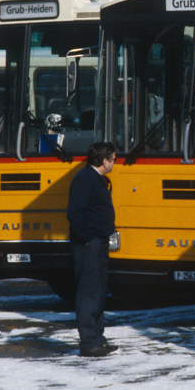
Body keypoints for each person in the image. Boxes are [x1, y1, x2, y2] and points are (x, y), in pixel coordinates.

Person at [67, 142, 117, 357]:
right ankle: (89, 342)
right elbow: (75, 212)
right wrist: (87, 238)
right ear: (104, 161)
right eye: (113, 159)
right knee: (88, 293)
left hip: (99, 241)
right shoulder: (85, 178)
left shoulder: (96, 178)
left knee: (99, 291)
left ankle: (98, 338)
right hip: (89, 244)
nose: (115, 162)